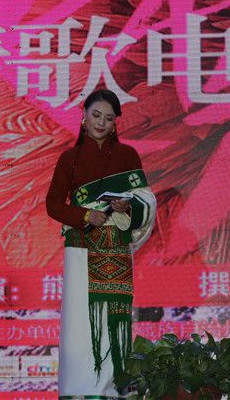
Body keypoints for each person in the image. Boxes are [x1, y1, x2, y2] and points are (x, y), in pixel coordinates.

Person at [46, 89, 156, 398]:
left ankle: (111, 390)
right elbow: (53, 205)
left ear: (115, 123)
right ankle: (77, 391)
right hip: (81, 249)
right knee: (79, 324)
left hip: (115, 247)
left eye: (108, 118)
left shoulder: (127, 156)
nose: (101, 123)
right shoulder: (69, 159)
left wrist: (127, 206)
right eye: (96, 115)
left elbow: (146, 199)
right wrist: (85, 215)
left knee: (111, 322)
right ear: (83, 116)